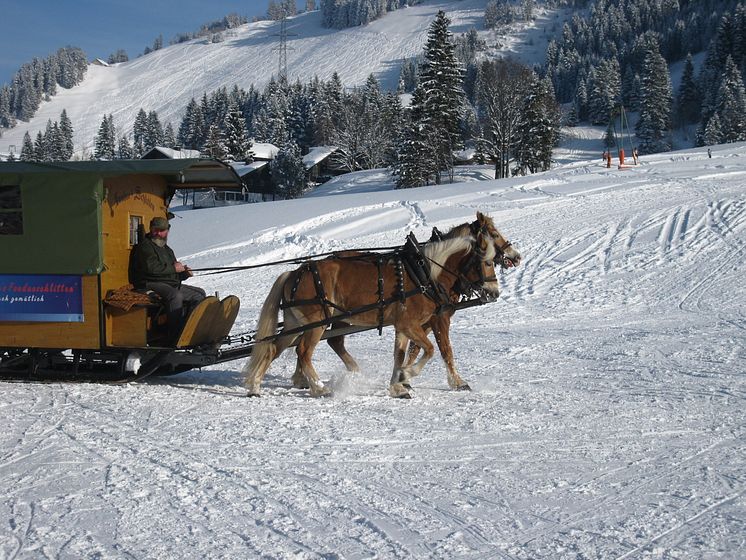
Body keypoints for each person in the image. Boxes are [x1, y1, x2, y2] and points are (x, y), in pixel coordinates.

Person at [130, 216, 206, 343]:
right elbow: (152, 269)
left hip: (167, 283)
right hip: (149, 283)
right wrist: (174, 268)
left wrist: (184, 273)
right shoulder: (145, 246)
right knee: (175, 296)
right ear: (151, 229)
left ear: (167, 231)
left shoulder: (167, 250)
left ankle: (191, 329)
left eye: (161, 230)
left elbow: (172, 273)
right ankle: (174, 335)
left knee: (199, 294)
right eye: (155, 230)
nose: (158, 233)